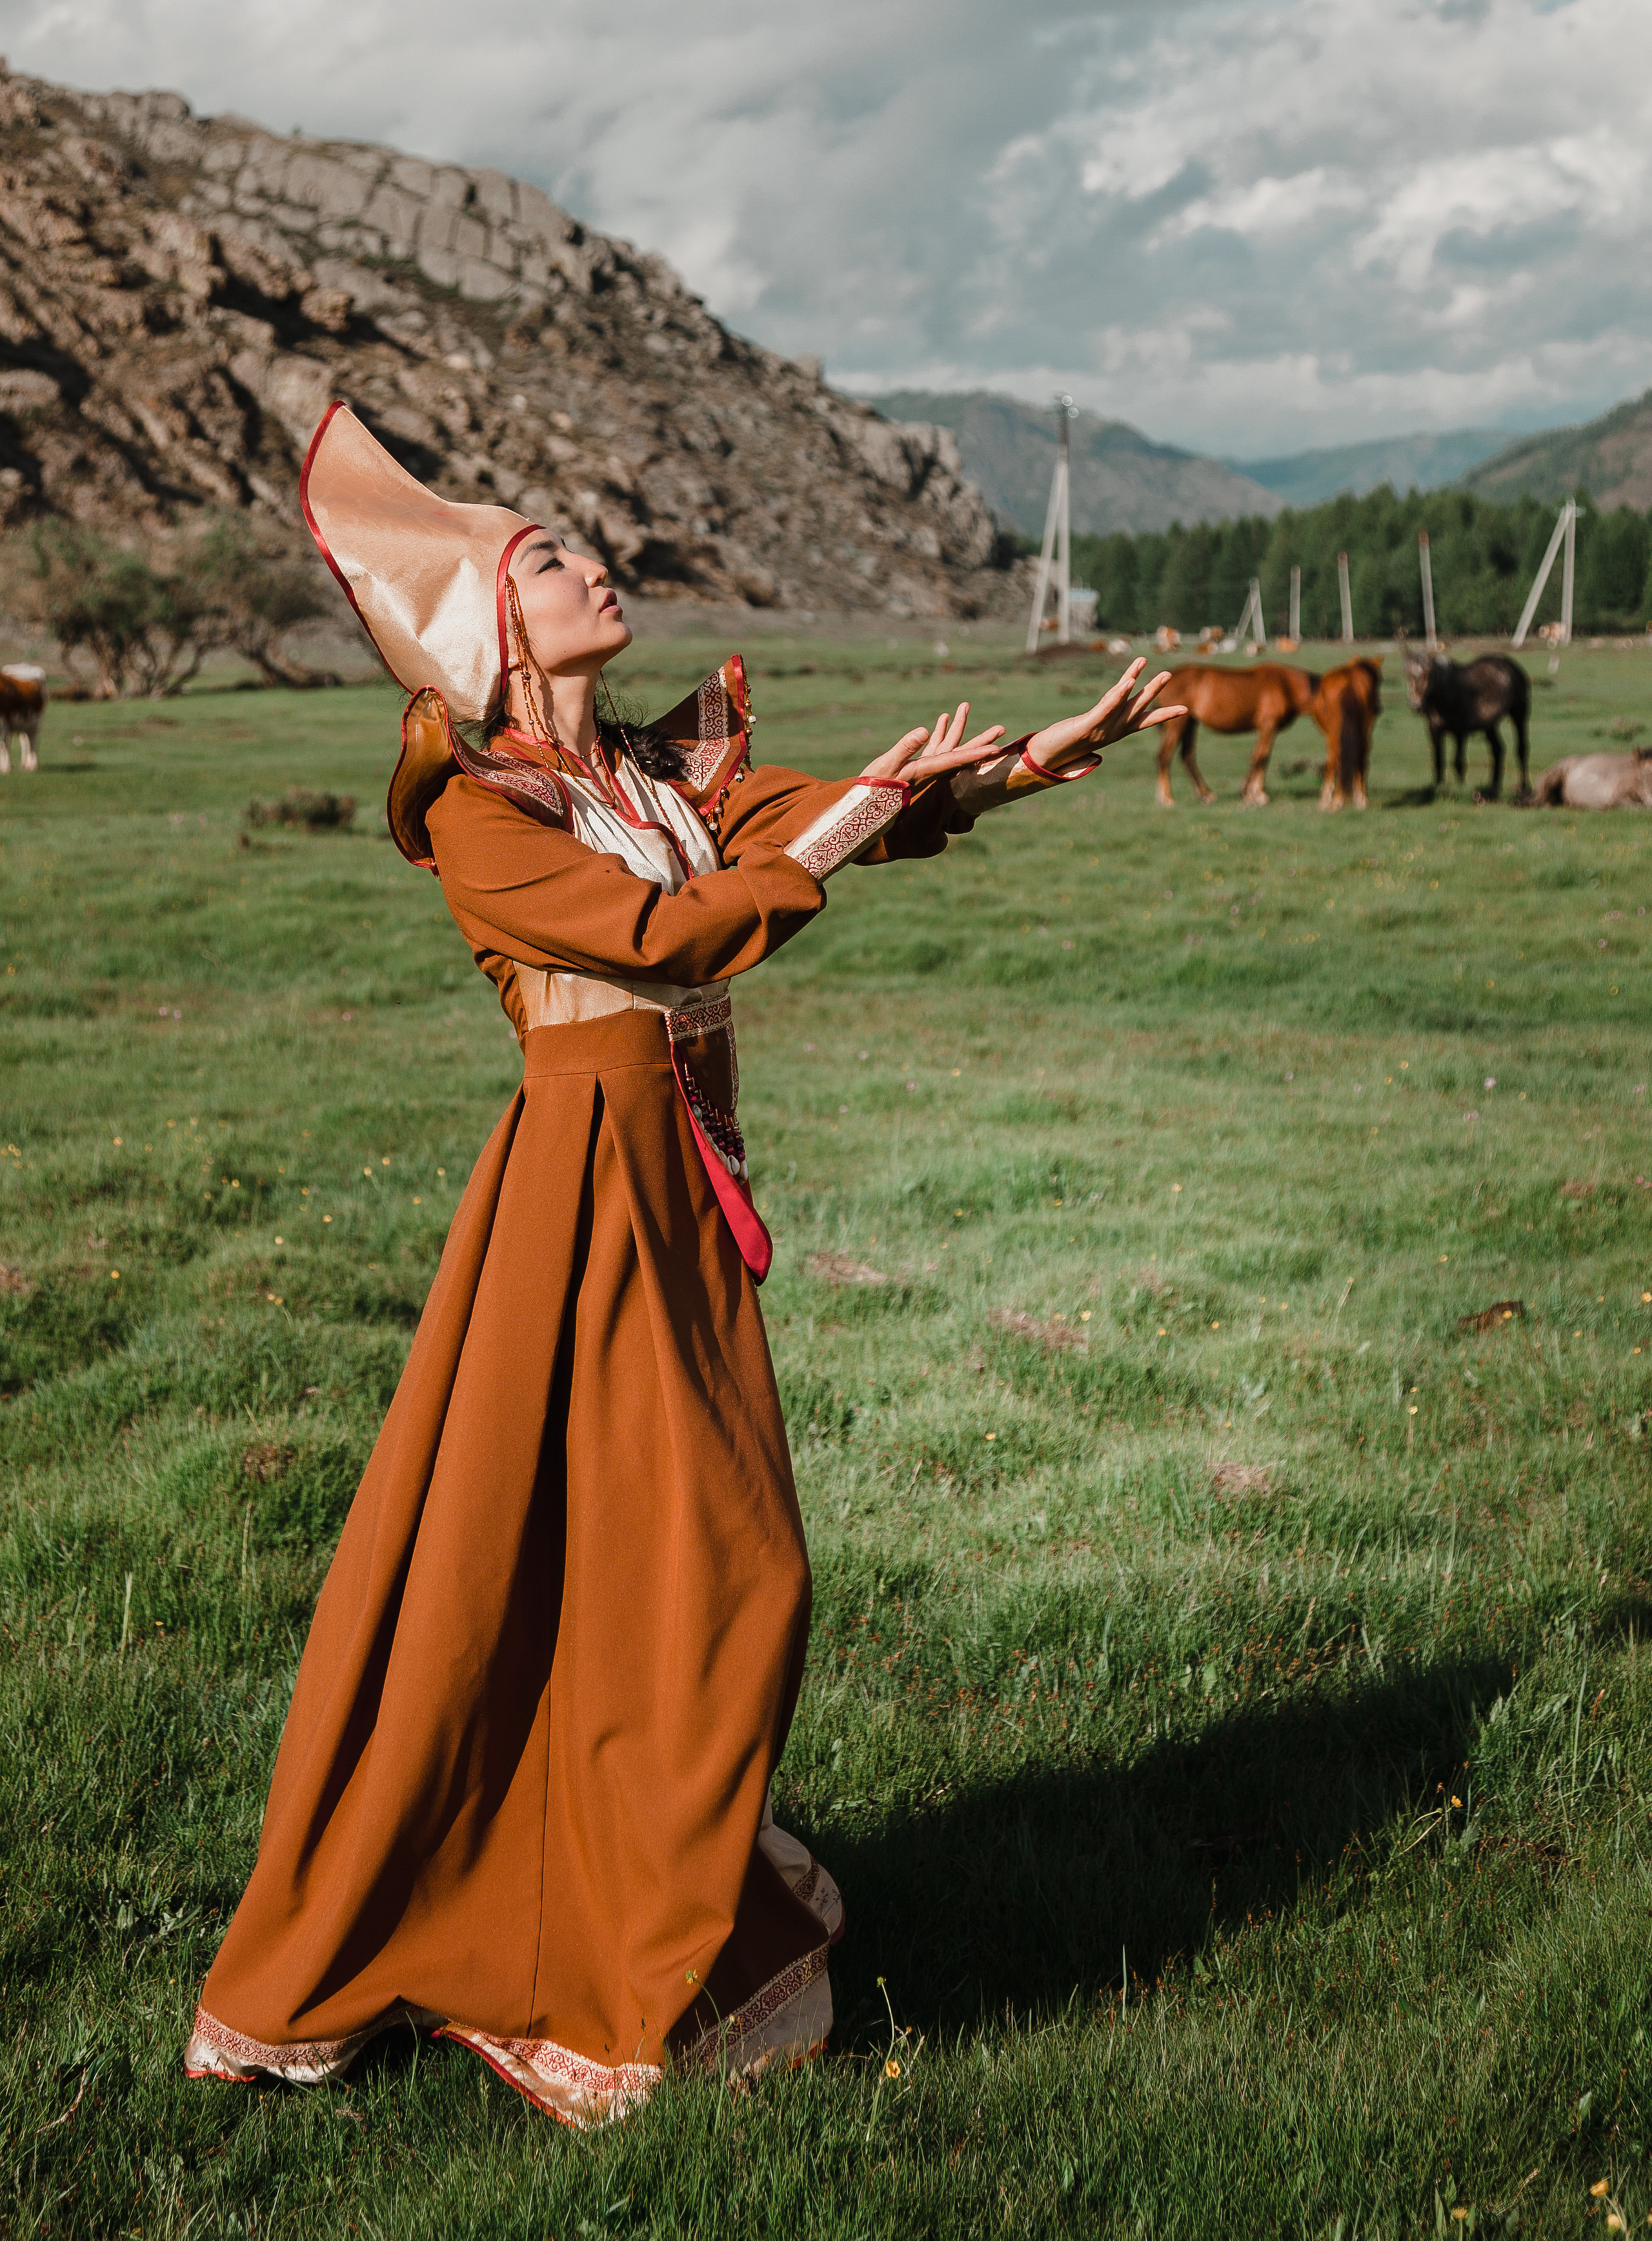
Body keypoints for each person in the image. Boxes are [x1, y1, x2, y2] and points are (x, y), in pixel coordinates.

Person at [184, 402, 1182, 2123]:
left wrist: (1026, 763)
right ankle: (554, 1954)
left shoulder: (655, 778)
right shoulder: (483, 818)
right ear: (498, 630)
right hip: (577, 1209)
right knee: (684, 1571)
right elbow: (659, 934)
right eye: (551, 559)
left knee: (661, 1573)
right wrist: (848, 828)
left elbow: (841, 809)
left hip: (673, 1202)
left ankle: (620, 1921)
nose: (595, 566)